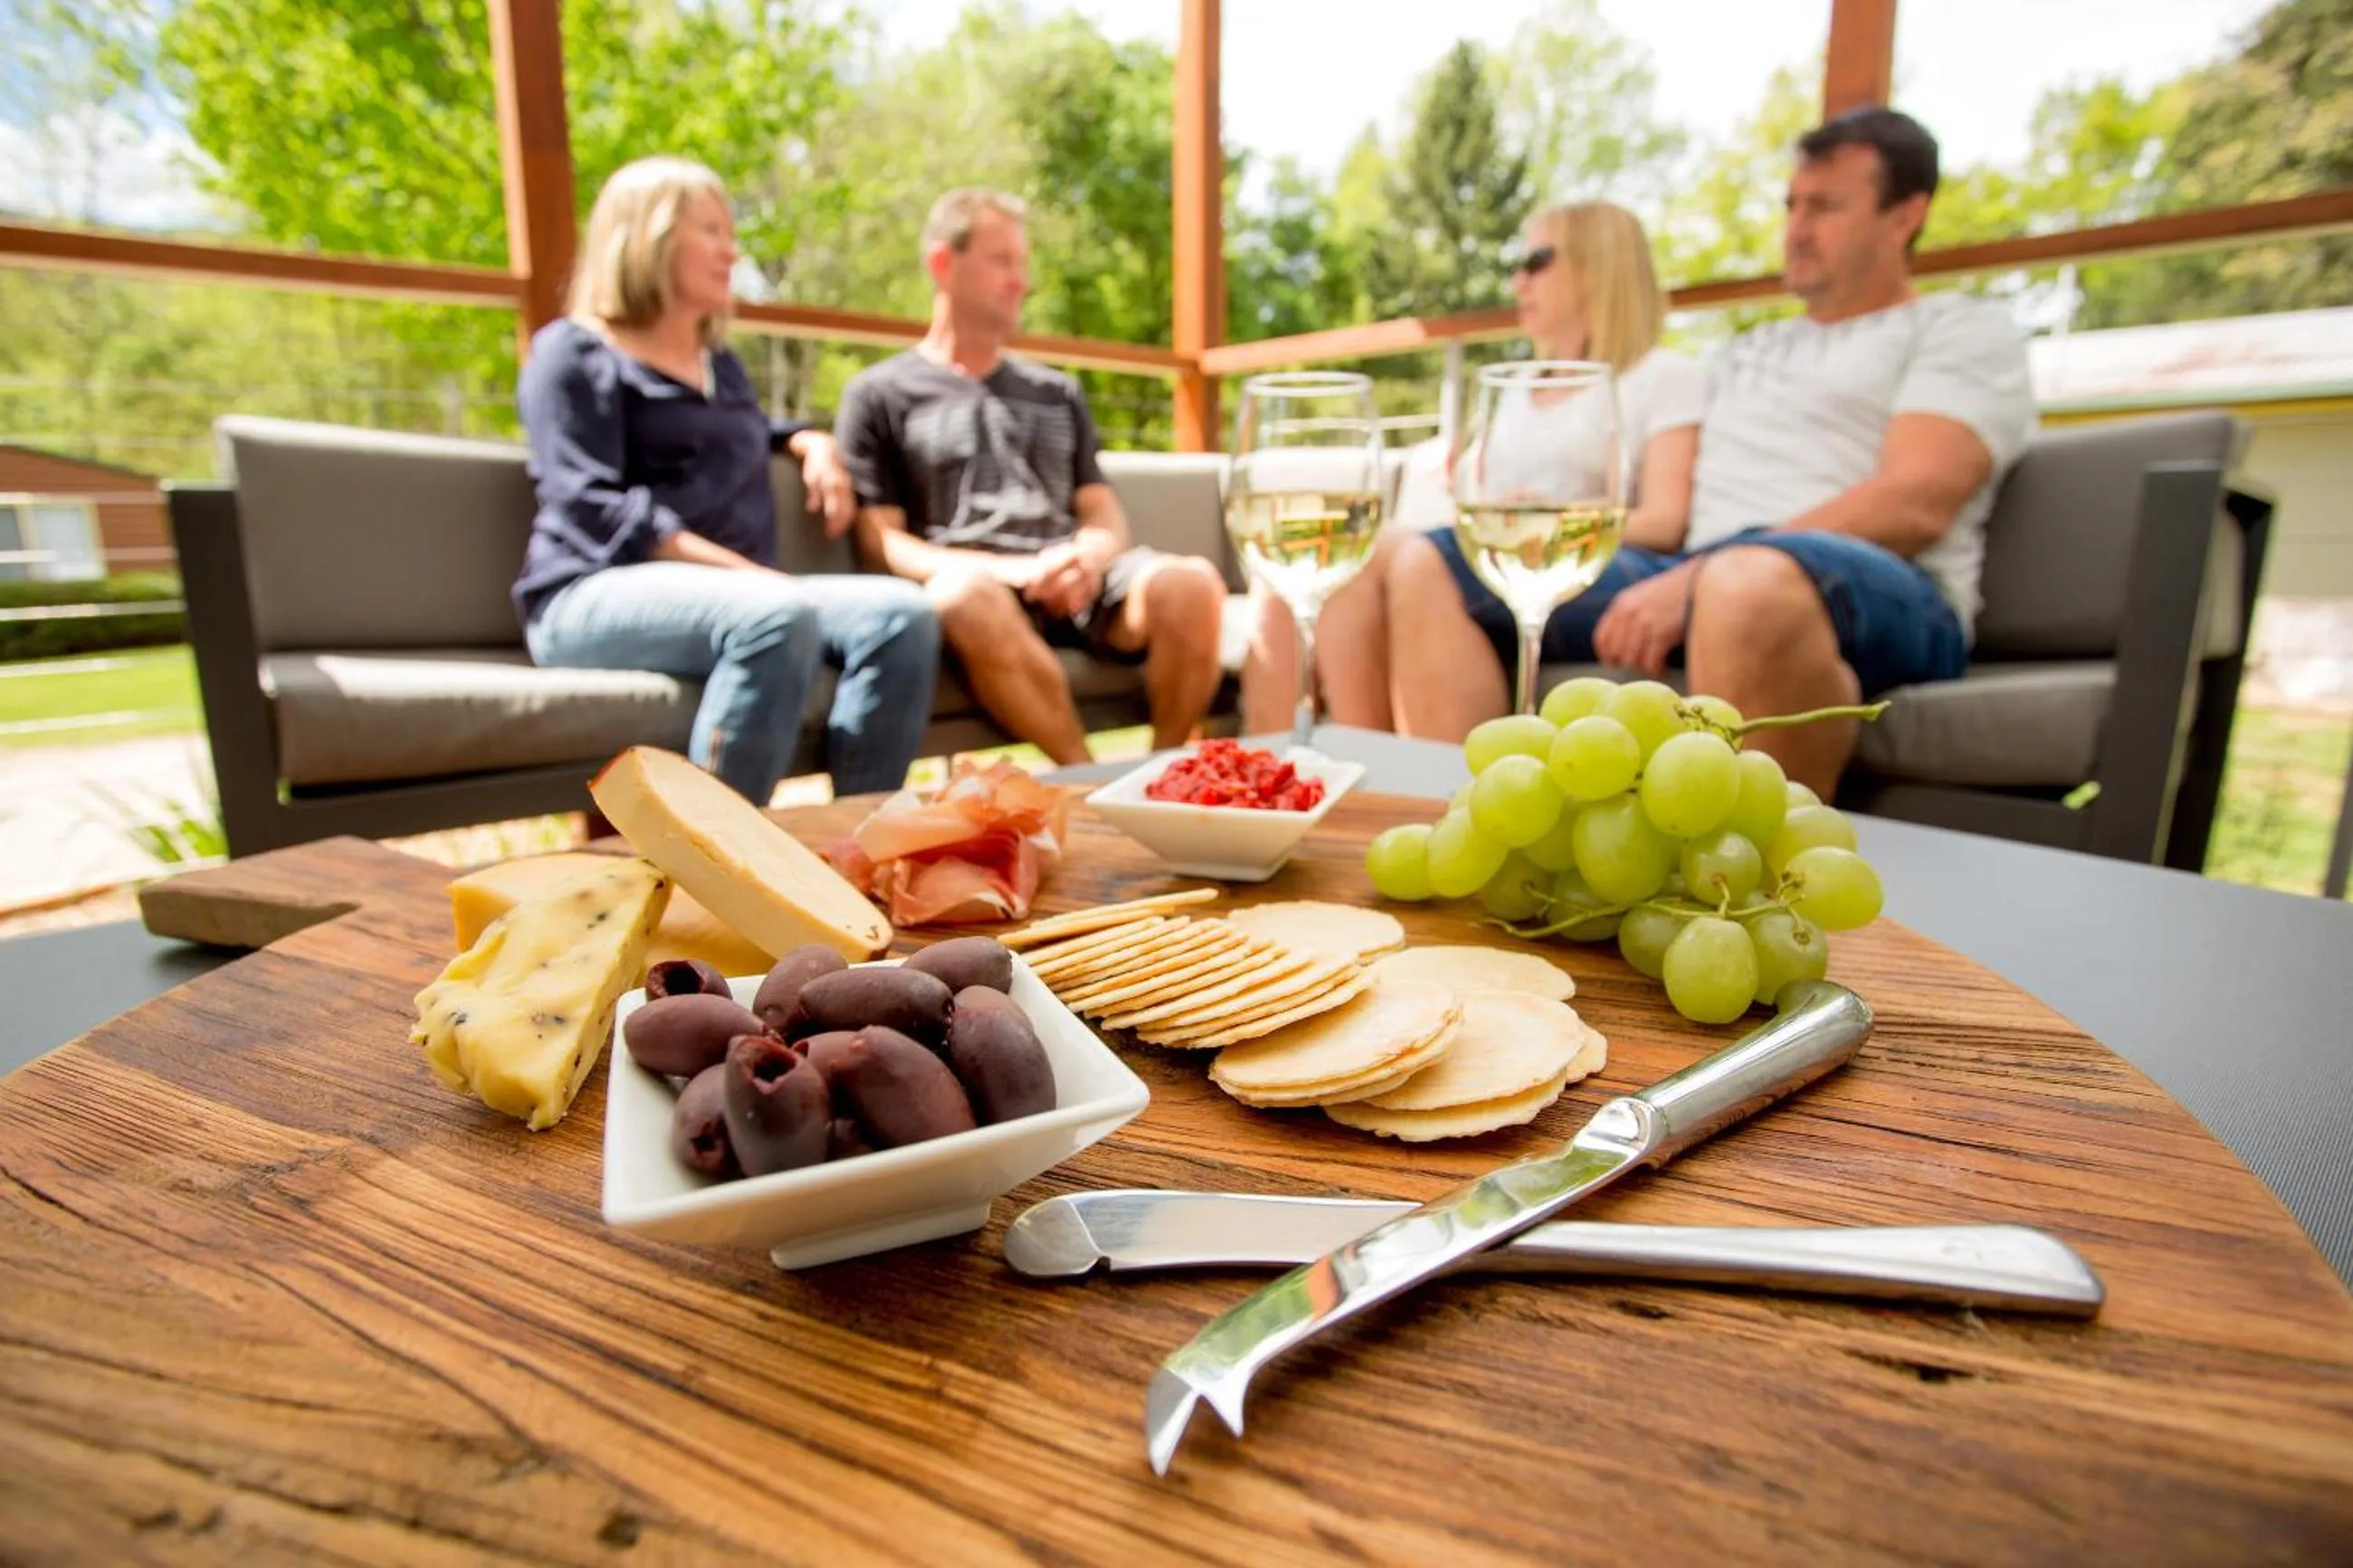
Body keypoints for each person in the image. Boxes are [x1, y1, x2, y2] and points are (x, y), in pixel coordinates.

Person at [1387, 108, 2035, 795]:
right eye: (1791, 204)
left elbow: (1916, 501)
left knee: (1745, 585)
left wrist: (1701, 576)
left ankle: (1748, 887)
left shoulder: (1960, 330)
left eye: (1824, 207)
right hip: (1699, 567)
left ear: (1905, 214)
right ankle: (1466, 818)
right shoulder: (1744, 351)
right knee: (1430, 557)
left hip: (1882, 588)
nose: (1795, 228)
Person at [514, 157, 940, 803]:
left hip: (742, 595)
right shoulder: (572, 354)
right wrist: (747, 578)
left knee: (902, 614)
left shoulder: (722, 368)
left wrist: (808, 438)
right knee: (774, 615)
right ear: (648, 237)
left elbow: (741, 429)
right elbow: (589, 503)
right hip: (591, 592)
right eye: (710, 231)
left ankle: (858, 842)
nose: (730, 252)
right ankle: (716, 869)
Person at [1243, 201, 1706, 736]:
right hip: (1492, 557)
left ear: (1598, 263)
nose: (1518, 282)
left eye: (1537, 261)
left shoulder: (1662, 377)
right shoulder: (1517, 391)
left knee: (1388, 554)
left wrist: (1547, 518)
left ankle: (1384, 774)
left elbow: (1667, 521)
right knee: (1328, 565)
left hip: (1594, 568)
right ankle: (1336, 773)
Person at [834, 188, 1229, 767]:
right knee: (959, 595)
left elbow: (1101, 510)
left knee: (1192, 584)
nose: (1021, 281)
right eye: (1003, 262)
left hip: (1079, 583)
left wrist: (1088, 558)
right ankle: (1087, 780)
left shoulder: (1056, 391)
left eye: (1022, 264)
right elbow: (882, 541)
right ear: (944, 264)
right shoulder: (879, 394)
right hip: (981, 591)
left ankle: (1163, 774)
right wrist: (1014, 572)